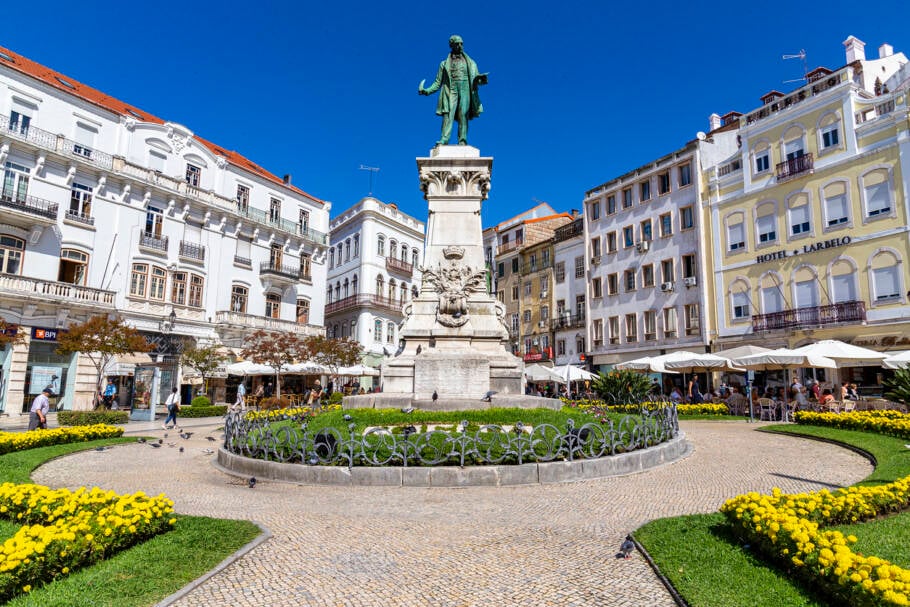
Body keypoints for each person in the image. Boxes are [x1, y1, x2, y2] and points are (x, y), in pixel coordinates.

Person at [418, 35, 488, 146]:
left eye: (461, 43)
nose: (460, 46)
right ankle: (444, 139)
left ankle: (462, 139)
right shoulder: (444, 64)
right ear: (451, 45)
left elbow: (475, 79)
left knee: (463, 114)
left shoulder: (471, 63)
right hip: (451, 89)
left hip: (465, 88)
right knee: (448, 114)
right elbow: (437, 83)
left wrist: (481, 80)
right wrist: (427, 91)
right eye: (457, 44)